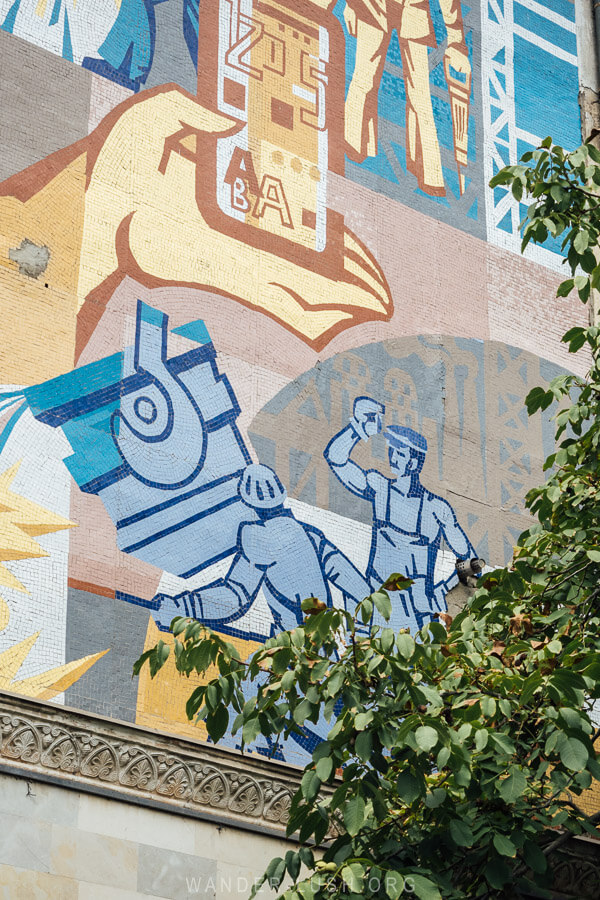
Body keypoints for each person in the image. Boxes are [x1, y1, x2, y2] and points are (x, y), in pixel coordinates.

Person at [153, 463, 370, 639]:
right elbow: (359, 589)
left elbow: (235, 598)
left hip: (293, 658)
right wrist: (360, 636)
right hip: (327, 658)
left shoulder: (259, 538)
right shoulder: (311, 535)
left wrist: (179, 608)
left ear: (248, 504)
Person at [324, 396, 474, 629]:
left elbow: (471, 561)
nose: (392, 457)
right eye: (391, 450)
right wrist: (357, 428)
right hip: (376, 604)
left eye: (400, 454)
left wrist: (441, 591)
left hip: (414, 612)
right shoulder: (380, 488)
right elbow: (336, 459)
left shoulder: (436, 509)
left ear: (414, 463)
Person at [343, 0, 471, 196]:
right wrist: (352, 5)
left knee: (420, 95)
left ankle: (429, 174)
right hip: (373, 6)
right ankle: (353, 145)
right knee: (364, 77)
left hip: (413, 10)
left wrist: (456, 40)